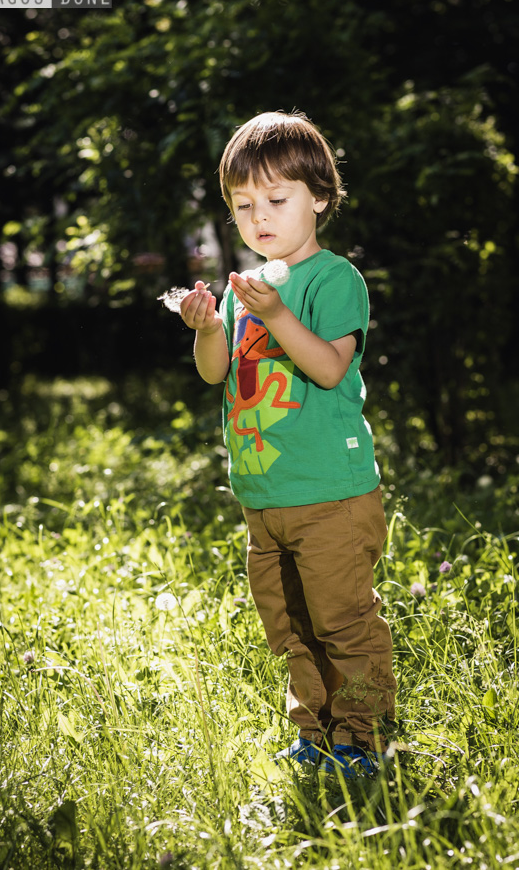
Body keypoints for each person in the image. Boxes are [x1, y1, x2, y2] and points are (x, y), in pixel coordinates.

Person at [180, 110, 396, 777]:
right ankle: (315, 729)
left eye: (276, 200)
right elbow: (217, 373)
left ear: (319, 199)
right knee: (290, 629)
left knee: (343, 625)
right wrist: (208, 327)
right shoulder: (250, 290)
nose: (258, 216)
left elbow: (329, 368)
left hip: (329, 491)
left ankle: (360, 736)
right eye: (243, 205)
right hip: (263, 495)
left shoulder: (333, 280)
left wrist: (274, 315)